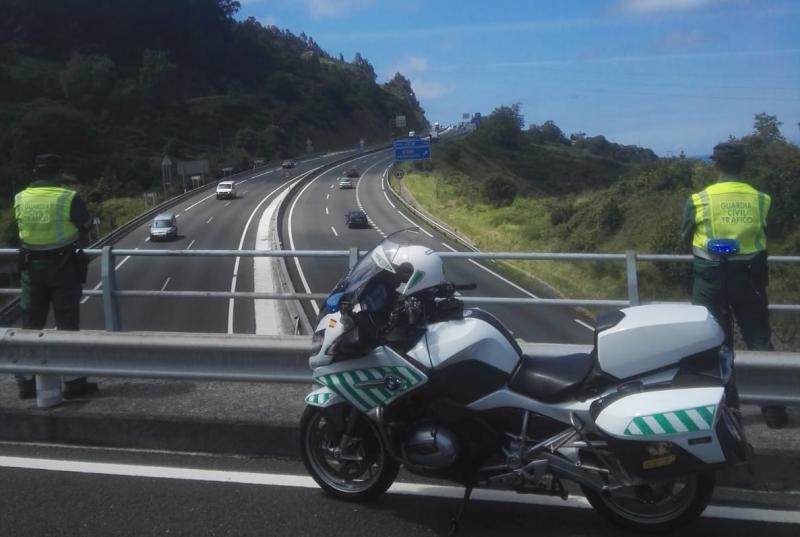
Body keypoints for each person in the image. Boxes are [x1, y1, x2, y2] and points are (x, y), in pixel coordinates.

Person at [681, 141, 787, 429]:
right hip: (751, 276)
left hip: (710, 277)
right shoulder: (760, 199)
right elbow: (769, 232)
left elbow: (685, 236)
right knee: (759, 339)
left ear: (715, 165)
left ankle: (727, 407)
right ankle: (774, 408)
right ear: (742, 166)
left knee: (715, 339)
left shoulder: (700, 198)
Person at [14, 154, 97, 400]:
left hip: (31, 268)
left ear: (35, 172)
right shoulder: (68, 197)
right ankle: (72, 381)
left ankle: (26, 382)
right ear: (59, 172)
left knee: (30, 324)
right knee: (67, 325)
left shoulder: (20, 197)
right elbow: (87, 224)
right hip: (63, 266)